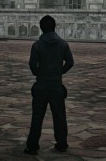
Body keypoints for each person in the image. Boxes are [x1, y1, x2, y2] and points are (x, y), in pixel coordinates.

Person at [24, 15, 74, 155]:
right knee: (59, 116)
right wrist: (59, 72)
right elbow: (70, 62)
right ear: (54, 27)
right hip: (56, 85)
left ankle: (33, 146)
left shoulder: (37, 45)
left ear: (41, 28)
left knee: (37, 117)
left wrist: (39, 74)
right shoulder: (63, 44)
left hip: (41, 85)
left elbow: (32, 65)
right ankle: (62, 143)